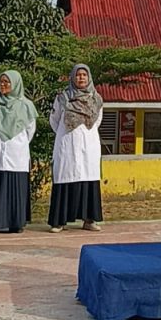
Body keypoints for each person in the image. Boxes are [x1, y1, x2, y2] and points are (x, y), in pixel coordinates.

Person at [48, 63, 104, 232]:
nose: (81, 78)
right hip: (67, 143)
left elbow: (98, 120)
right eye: (78, 75)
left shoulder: (96, 98)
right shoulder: (62, 97)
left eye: (84, 75)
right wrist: (68, 134)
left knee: (88, 179)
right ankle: (59, 221)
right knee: (65, 179)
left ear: (89, 77)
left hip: (89, 144)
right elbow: (54, 121)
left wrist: (84, 133)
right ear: (72, 77)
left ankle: (89, 220)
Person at [0, 70, 37, 234]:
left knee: (15, 187)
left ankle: (16, 223)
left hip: (17, 152)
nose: (3, 85)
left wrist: (17, 143)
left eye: (7, 82)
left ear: (15, 83)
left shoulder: (26, 105)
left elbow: (30, 130)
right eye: (1, 81)